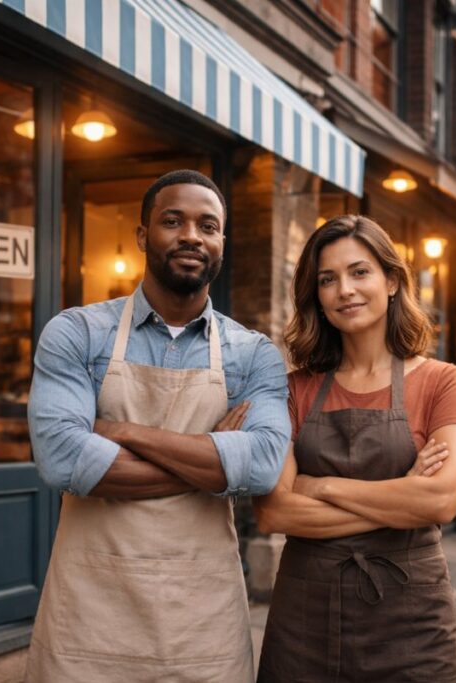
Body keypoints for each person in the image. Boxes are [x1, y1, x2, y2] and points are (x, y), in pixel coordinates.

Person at [25, 170, 291, 681]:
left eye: (208, 225)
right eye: (174, 221)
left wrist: (124, 433)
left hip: (202, 620)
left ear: (221, 243)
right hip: (90, 613)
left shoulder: (253, 353)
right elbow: (62, 458)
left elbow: (261, 467)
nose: (192, 235)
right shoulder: (78, 332)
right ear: (143, 235)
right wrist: (212, 461)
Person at [254, 215, 456, 682]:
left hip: (413, 620)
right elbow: (276, 512)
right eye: (328, 279)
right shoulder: (292, 389)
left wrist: (320, 485)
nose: (345, 290)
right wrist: (402, 497)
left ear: (392, 280)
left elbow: (442, 499)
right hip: (305, 616)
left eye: (360, 272)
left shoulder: (444, 382)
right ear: (316, 295)